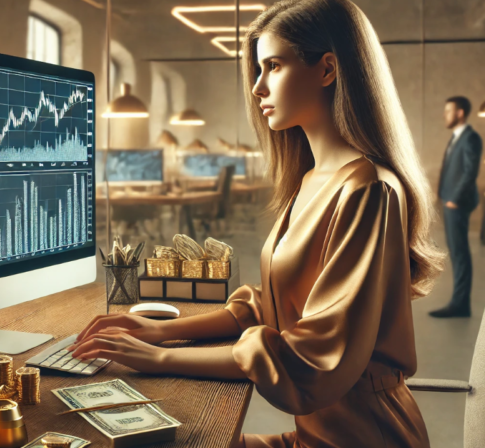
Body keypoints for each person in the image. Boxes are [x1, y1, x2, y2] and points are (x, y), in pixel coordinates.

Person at [69, 0, 443, 446]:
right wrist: (160, 330)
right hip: (319, 436)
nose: (257, 87)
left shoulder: (368, 190)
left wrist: (157, 359)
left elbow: (309, 358)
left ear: (327, 70)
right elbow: (275, 306)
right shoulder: (312, 179)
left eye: (273, 66)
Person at [429, 96, 482, 318]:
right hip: (450, 201)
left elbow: (470, 172)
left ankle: (460, 305)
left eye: (448, 111)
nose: (444, 115)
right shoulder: (457, 137)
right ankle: (459, 302)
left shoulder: (470, 138)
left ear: (460, 113)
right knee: (457, 252)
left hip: (457, 204)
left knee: (460, 254)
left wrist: (455, 198)